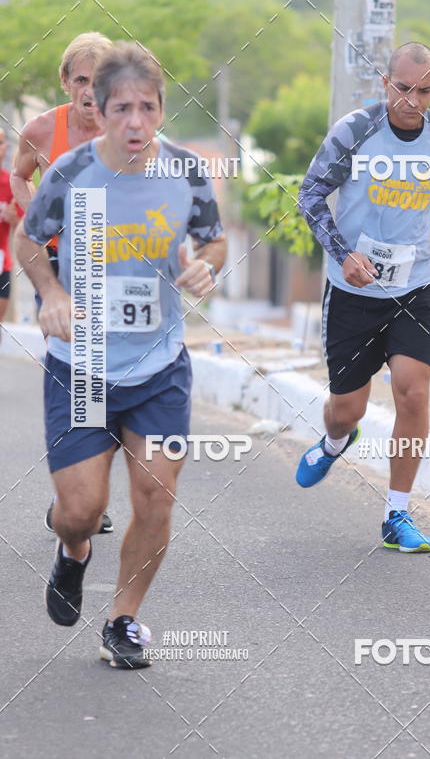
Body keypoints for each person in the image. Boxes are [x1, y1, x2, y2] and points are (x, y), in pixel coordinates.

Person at [16, 41, 227, 668]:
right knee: (81, 511)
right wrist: (51, 291)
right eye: (121, 109)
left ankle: (124, 619)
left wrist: (204, 268)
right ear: (98, 111)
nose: (135, 121)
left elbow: (213, 242)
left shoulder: (186, 173)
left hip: (159, 368)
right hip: (81, 369)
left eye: (147, 107)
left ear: (161, 109)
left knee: (156, 495)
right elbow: (29, 244)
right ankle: (73, 551)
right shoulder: (70, 173)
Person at [295, 42, 430, 552]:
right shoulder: (355, 131)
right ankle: (335, 441)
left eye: (423, 90)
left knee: (413, 391)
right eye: (402, 88)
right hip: (352, 288)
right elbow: (310, 194)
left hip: (413, 285)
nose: (411, 100)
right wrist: (344, 252)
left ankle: (397, 514)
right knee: (346, 409)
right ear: (385, 82)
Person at [11, 32, 115, 534]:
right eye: (81, 80)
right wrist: (33, 212)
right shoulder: (40, 129)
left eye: (99, 81)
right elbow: (18, 174)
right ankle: (77, 494)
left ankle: (87, 495)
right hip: (53, 264)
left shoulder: (127, 129)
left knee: (98, 375)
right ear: (65, 82)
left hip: (110, 263)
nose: (90, 92)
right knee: (73, 362)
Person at [0, 128, 24, 332]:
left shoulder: (10, 184)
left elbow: (27, 232)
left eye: (0, 143)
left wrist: (14, 219)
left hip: (2, 263)